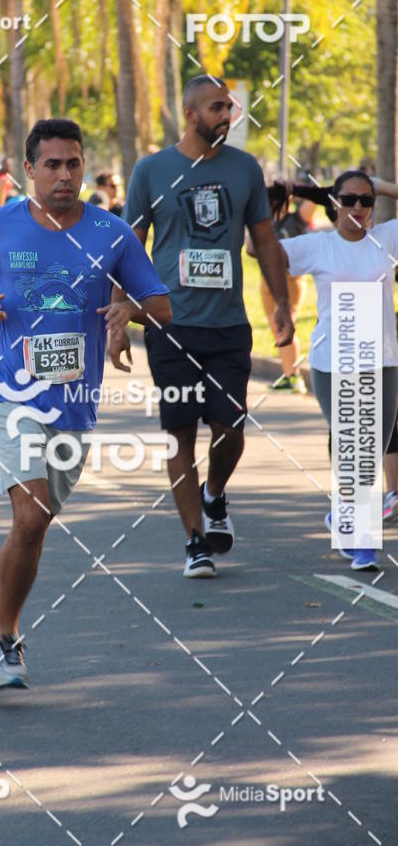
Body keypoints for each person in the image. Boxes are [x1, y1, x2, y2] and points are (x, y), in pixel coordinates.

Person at [0, 118, 171, 690]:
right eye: (52, 165)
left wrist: (129, 312)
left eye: (73, 164)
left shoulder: (112, 231)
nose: (65, 175)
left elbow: (162, 304)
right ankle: (6, 642)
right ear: (30, 170)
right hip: (10, 395)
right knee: (31, 512)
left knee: (35, 528)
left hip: (74, 403)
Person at [112, 74, 293, 579]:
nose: (226, 115)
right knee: (179, 432)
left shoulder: (245, 169)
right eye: (217, 107)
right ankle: (195, 541)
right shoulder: (151, 170)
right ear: (190, 114)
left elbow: (265, 239)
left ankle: (214, 494)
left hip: (229, 325)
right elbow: (130, 246)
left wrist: (281, 304)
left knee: (231, 428)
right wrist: (119, 316)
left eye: (229, 107)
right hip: (170, 324)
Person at [280, 170, 398, 571]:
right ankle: (363, 543)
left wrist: (381, 185)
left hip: (382, 360)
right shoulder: (319, 245)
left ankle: (344, 514)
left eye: (367, 201)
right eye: (349, 200)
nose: (359, 209)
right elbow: (259, 251)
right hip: (334, 363)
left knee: (373, 447)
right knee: (356, 448)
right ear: (334, 204)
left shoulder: (385, 240)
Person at [246, 184, 316, 394]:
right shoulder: (263, 223)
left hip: (290, 279)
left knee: (286, 325)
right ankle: (288, 375)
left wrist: (294, 190)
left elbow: (317, 198)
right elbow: (250, 249)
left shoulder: (296, 218)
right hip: (266, 279)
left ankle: (294, 377)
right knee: (276, 329)